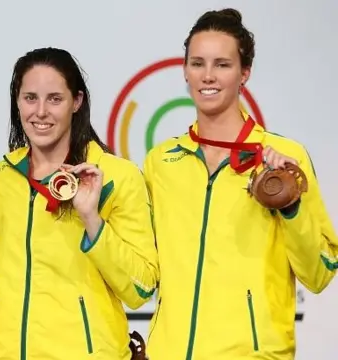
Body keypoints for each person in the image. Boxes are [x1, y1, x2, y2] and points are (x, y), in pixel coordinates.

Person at [143, 8, 338, 360]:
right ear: (184, 71)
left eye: (223, 64)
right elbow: (143, 270)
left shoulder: (284, 157)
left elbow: (320, 273)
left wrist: (290, 206)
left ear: (244, 73)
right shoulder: (161, 162)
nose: (208, 75)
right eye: (198, 63)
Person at [0, 47, 159, 360]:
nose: (40, 112)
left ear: (76, 101)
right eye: (30, 98)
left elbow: (140, 288)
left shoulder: (118, 177)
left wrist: (92, 220)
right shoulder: (1, 177)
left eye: (55, 99)